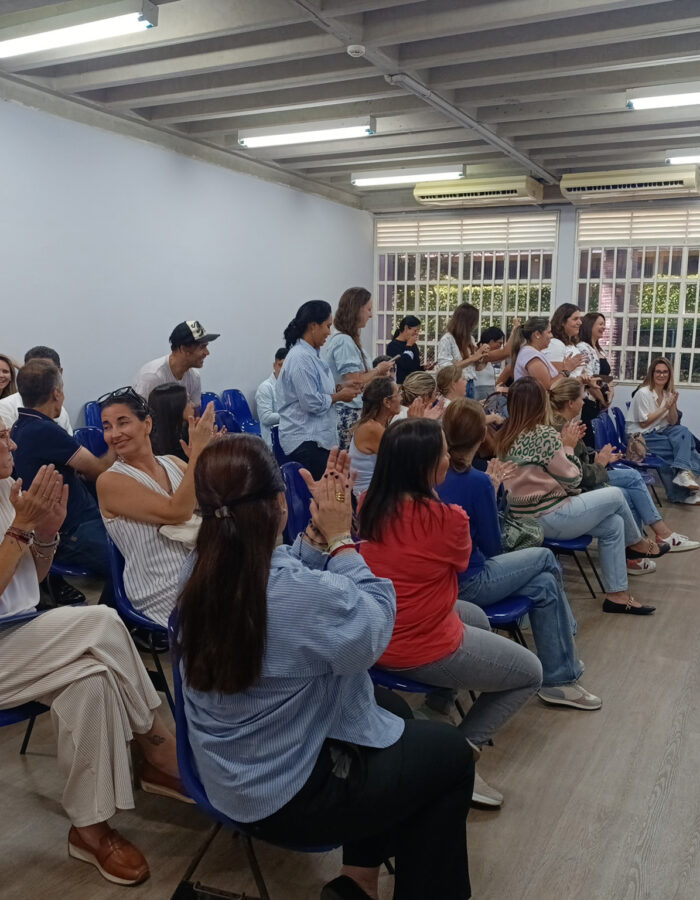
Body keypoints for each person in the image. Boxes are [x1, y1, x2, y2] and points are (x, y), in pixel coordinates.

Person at [178, 438, 476, 900]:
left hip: (226, 769)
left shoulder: (202, 567)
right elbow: (375, 625)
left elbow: (279, 575)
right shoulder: (293, 594)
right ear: (281, 504)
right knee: (451, 757)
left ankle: (357, 883)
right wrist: (341, 541)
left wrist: (317, 537)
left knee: (390, 708)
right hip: (284, 796)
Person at [0, 426, 188, 886]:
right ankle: (157, 747)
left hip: (20, 634)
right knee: (101, 622)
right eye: (1, 438)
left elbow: (29, 580)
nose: (13, 444)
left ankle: (90, 829)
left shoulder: (7, 489)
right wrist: (21, 528)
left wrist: (46, 533)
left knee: (92, 680)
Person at [359, 418, 543, 807]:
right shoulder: (449, 519)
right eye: (443, 453)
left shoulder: (370, 503)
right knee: (530, 673)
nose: (450, 458)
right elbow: (462, 563)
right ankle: (457, 756)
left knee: (474, 616)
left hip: (380, 628)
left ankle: (438, 705)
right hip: (416, 644)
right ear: (426, 466)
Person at [438, 398, 601, 710]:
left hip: (447, 578)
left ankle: (560, 675)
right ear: (480, 436)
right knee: (544, 559)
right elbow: (493, 545)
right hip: (469, 580)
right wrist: (493, 490)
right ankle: (562, 665)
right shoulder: (477, 481)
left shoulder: (437, 474)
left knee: (545, 585)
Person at [499, 377, 656, 615]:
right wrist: (568, 446)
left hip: (524, 519)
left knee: (614, 525)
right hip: (550, 515)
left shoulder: (505, 435)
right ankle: (637, 544)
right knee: (616, 494)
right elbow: (573, 478)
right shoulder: (543, 435)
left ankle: (617, 596)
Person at [96, 388, 216, 626]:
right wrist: (196, 456)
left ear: (147, 425)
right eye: (107, 427)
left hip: (203, 569)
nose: (114, 434)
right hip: (162, 587)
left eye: (123, 423)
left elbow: (213, 502)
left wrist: (210, 459)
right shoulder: (109, 481)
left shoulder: (172, 462)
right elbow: (177, 511)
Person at [549, 378, 699, 555]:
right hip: (577, 486)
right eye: (582, 398)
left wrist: (598, 456)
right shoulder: (560, 429)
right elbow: (576, 474)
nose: (584, 402)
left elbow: (579, 456)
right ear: (570, 403)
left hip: (585, 474)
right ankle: (651, 540)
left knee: (638, 476)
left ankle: (646, 544)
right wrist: (600, 462)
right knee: (630, 487)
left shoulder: (566, 423)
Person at [11, 360, 113, 577]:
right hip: (75, 531)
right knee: (133, 559)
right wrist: (117, 442)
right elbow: (98, 470)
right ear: (56, 393)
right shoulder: (44, 430)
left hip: (64, 526)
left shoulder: (19, 426)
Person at [276, 300, 360, 479]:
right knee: (330, 487)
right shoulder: (300, 357)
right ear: (313, 326)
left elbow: (318, 390)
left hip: (317, 439)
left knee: (337, 484)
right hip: (305, 440)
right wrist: (339, 396)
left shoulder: (313, 354)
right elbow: (311, 403)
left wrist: (340, 388)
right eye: (327, 326)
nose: (329, 332)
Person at [322, 288, 395, 449]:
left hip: (354, 410)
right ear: (357, 309)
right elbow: (355, 381)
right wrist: (378, 369)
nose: (371, 315)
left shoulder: (349, 340)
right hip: (348, 412)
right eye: (368, 309)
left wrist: (378, 374)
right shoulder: (344, 341)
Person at [627, 357, 700, 499]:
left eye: (665, 372)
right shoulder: (643, 393)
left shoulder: (667, 393)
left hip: (660, 432)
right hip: (641, 437)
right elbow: (644, 423)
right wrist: (665, 407)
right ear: (652, 373)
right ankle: (680, 491)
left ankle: (683, 475)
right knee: (688, 452)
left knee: (683, 432)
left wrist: (672, 406)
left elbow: (673, 422)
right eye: (658, 372)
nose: (661, 375)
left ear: (669, 374)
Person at [133, 320, 219, 408]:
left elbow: (195, 412)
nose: (207, 353)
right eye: (202, 347)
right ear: (183, 349)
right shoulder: (152, 377)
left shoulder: (195, 376)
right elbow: (138, 415)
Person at [348, 376, 402, 498]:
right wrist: (418, 423)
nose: (401, 398)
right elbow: (402, 461)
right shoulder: (372, 429)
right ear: (387, 402)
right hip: (369, 498)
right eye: (398, 393)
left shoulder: (375, 425)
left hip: (376, 492)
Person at [0, 346, 73, 434]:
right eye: (34, 370)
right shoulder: (5, 407)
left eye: (48, 371)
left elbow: (69, 440)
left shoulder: (61, 411)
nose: (41, 376)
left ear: (60, 372)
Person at [436, 303, 488, 379]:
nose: (476, 325)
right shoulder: (447, 339)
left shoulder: (470, 339)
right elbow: (445, 369)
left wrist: (480, 358)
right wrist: (472, 358)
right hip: (456, 383)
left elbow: (475, 368)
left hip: (470, 381)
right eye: (474, 322)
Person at [511, 317, 563, 389]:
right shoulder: (531, 356)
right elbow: (546, 387)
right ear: (537, 334)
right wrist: (565, 373)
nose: (552, 336)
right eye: (549, 332)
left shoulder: (531, 353)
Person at [148, 383, 193, 461]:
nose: (193, 405)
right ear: (175, 407)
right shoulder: (158, 447)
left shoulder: (188, 430)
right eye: (188, 401)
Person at [386, 315, 434, 384]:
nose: (416, 333)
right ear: (406, 328)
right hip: (401, 384)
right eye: (415, 330)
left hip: (414, 383)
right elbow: (404, 364)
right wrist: (408, 346)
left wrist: (423, 368)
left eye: (418, 331)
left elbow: (413, 367)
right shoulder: (393, 346)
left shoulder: (413, 345)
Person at [254, 347, 287, 448]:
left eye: (286, 366)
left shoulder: (291, 386)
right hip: (272, 444)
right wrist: (290, 416)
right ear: (274, 365)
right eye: (280, 365)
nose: (282, 369)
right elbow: (266, 417)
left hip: (289, 439)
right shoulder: (265, 388)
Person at [472, 327, 504, 400]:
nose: (500, 347)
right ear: (491, 341)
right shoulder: (481, 355)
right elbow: (504, 353)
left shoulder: (486, 358)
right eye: (499, 343)